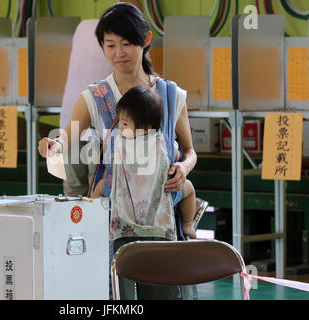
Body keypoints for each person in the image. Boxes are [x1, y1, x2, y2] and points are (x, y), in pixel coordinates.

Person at [38, 2, 198, 299]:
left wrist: (184, 169)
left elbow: (189, 151)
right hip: (112, 224)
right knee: (115, 298)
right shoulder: (93, 97)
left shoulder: (171, 95)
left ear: (146, 40)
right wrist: (54, 145)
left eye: (127, 44)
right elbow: (68, 138)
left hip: (161, 222)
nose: (118, 53)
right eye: (110, 45)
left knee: (163, 294)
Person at [92, 86, 198, 240]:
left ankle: (95, 220)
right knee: (189, 188)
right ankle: (188, 224)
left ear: (145, 128)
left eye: (125, 124)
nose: (120, 127)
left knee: (100, 188)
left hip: (125, 197)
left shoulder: (122, 142)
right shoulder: (159, 140)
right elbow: (173, 155)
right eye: (120, 122)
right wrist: (178, 164)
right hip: (160, 193)